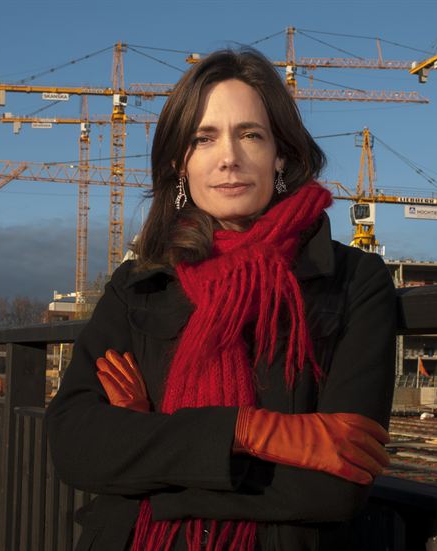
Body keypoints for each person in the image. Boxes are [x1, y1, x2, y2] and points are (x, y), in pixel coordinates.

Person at [46, 49, 396, 551]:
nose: (229, 157)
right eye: (203, 138)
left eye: (250, 135)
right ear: (180, 163)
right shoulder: (139, 284)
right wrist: (246, 430)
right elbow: (74, 445)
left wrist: (150, 451)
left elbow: (337, 485)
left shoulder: (354, 281)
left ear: (281, 155)